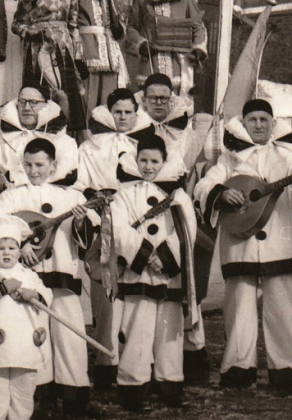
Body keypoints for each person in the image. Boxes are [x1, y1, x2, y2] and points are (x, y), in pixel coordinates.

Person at [194, 99, 292, 395]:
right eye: (253, 120)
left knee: (284, 310)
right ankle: (238, 369)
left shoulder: (288, 158)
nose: (259, 125)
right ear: (244, 123)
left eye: (264, 119)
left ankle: (287, 370)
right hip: (239, 244)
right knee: (238, 310)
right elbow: (204, 185)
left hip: (282, 243)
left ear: (273, 124)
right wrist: (221, 193)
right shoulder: (229, 159)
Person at [0, 138, 101, 418]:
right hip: (29, 279)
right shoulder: (12, 196)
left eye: (40, 165)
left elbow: (89, 236)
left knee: (69, 336)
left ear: (53, 166)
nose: (33, 170)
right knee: (34, 335)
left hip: (63, 275)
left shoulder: (71, 196)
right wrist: (18, 242)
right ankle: (40, 399)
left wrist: (78, 221)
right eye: (28, 164)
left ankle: (75, 398)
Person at [75, 88, 154, 389]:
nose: (122, 117)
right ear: (108, 113)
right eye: (117, 112)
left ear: (137, 113)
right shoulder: (91, 147)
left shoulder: (144, 146)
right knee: (106, 295)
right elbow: (81, 184)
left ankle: (138, 362)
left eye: (128, 112)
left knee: (136, 294)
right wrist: (97, 210)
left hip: (136, 224)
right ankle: (106, 361)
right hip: (102, 222)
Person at [112, 135, 194, 411]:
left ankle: (170, 382)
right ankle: (133, 385)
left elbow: (186, 230)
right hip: (139, 272)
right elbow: (119, 229)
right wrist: (146, 255)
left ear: (164, 161)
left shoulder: (178, 194)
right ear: (136, 161)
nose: (148, 167)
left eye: (154, 161)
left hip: (169, 273)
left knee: (169, 331)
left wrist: (166, 258)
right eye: (143, 160)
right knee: (137, 327)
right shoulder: (124, 193)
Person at [139, 72, 209, 377]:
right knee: (149, 283)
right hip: (145, 211)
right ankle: (147, 359)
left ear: (173, 99)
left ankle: (192, 352)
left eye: (164, 98)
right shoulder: (135, 131)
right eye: (152, 97)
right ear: (142, 100)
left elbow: (198, 170)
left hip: (178, 210)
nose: (158, 103)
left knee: (183, 280)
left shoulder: (186, 134)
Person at [0, 215, 53, 420]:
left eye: (12, 248)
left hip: (24, 350)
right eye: (0, 248)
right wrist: (2, 288)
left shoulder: (29, 275)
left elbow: (47, 296)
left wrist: (34, 295)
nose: (6, 252)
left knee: (23, 396)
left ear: (19, 251)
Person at [13, 0, 86, 134]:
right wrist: (31, 32)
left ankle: (69, 133)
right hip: (37, 50)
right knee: (39, 87)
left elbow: (73, 25)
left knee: (68, 89)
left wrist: (78, 53)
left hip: (63, 48)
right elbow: (17, 24)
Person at [77, 0, 129, 116]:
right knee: (87, 106)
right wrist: (76, 55)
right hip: (87, 52)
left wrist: (118, 27)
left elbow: (116, 19)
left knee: (110, 105)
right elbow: (70, 24)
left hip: (110, 53)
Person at [0, 85, 77, 190]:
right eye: (22, 102)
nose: (26, 108)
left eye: (33, 102)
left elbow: (62, 178)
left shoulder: (65, 142)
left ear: (47, 105)